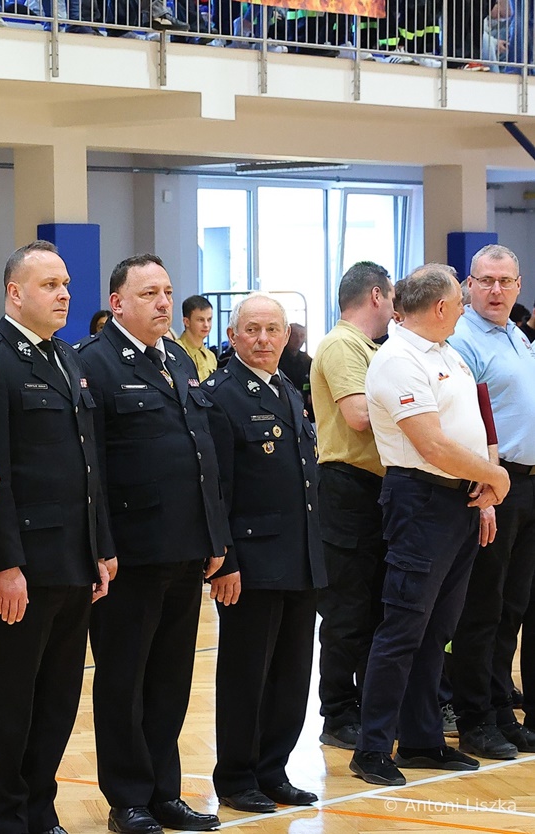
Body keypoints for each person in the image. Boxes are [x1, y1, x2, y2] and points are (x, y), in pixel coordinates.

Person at [0, 241, 115, 834]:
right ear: (15, 292)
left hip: (74, 557)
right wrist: (4, 565)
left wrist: (101, 547)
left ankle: (40, 808)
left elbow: (89, 465)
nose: (64, 294)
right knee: (14, 696)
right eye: (50, 284)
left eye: (66, 283)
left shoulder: (67, 358)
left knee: (58, 696)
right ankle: (6, 815)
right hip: (25, 562)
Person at [76, 253, 228, 834]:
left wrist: (215, 536)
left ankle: (165, 792)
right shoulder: (93, 363)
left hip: (186, 547)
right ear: (117, 303)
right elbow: (91, 468)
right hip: (131, 553)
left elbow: (201, 454)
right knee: (124, 680)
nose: (163, 302)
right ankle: (128, 798)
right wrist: (100, 545)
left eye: (166, 292)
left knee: (170, 679)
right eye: (148, 294)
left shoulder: (179, 360)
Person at [352, 264, 510, 786]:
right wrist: (496, 477)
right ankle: (372, 747)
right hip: (420, 501)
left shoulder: (447, 353)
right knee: (403, 627)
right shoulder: (398, 359)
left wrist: (484, 491)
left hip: (460, 500)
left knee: (437, 630)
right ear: (441, 307)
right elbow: (432, 444)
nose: (464, 310)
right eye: (460, 303)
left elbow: (471, 427)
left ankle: (422, 740)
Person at [203, 294, 325, 814]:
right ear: (233, 337)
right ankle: (236, 776)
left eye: (273, 329)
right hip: (251, 563)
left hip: (299, 557)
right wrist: (224, 560)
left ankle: (273, 770)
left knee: (291, 676)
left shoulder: (288, 389)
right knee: (246, 675)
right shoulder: (220, 396)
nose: (263, 339)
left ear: (286, 335)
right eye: (252, 329)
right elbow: (216, 490)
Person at [447, 244, 535, 759]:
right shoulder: (463, 339)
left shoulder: (516, 336)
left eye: (505, 281)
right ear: (469, 285)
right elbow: (467, 424)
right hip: (492, 487)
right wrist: (484, 492)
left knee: (511, 609)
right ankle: (475, 719)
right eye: (486, 281)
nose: (496, 290)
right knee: (482, 609)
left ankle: (502, 711)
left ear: (518, 286)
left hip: (526, 485)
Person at [310, 260, 395, 750]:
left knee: (373, 606)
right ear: (376, 295)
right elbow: (359, 415)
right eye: (393, 297)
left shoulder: (371, 347)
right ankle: (338, 711)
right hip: (347, 487)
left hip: (373, 489)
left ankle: (365, 705)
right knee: (347, 609)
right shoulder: (342, 344)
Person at [175, 294, 217, 382]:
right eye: (200, 320)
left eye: (209, 319)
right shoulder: (175, 352)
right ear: (186, 322)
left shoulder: (211, 356)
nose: (206, 325)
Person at [279, 323, 313, 421]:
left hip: (306, 411)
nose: (298, 339)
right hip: (284, 408)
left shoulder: (307, 360)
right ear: (287, 335)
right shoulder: (277, 358)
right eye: (295, 335)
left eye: (302, 336)